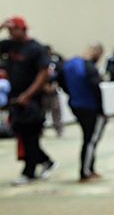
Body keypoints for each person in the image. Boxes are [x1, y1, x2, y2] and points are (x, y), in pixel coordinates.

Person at [0, 16, 55, 185]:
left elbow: (43, 73)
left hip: (32, 100)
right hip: (15, 99)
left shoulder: (36, 48)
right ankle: (45, 161)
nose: (10, 33)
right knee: (21, 133)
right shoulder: (9, 45)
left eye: (13, 29)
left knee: (30, 135)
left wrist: (27, 95)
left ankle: (29, 171)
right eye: (8, 30)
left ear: (23, 29)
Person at [59, 43, 106, 182]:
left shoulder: (68, 65)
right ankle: (85, 171)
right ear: (96, 52)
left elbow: (61, 82)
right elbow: (96, 89)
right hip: (89, 107)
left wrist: (71, 95)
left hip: (75, 104)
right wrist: (101, 110)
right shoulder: (89, 67)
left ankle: (89, 169)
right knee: (90, 139)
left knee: (88, 138)